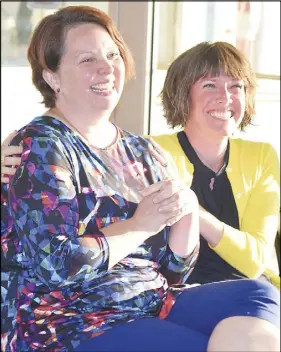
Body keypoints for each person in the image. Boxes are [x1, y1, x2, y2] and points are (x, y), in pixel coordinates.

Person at [1, 6, 280, 352]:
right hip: (71, 320)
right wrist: (140, 224)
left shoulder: (140, 150)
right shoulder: (41, 145)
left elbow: (173, 270)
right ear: (53, 77)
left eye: (112, 54)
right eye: (87, 60)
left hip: (148, 301)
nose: (106, 68)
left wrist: (187, 208)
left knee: (259, 294)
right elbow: (56, 265)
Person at [151, 41, 280, 288]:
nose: (226, 97)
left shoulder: (261, 156)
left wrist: (195, 212)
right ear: (182, 93)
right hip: (176, 293)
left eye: (236, 86)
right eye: (210, 85)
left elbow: (255, 261)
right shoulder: (152, 151)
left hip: (251, 289)